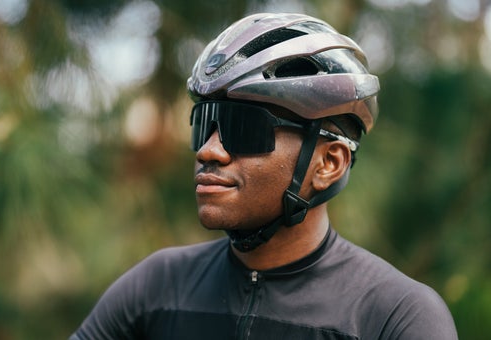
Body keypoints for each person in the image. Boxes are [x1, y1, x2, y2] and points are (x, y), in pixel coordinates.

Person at [70, 13, 458, 339]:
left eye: (244, 128)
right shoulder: (156, 286)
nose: (209, 150)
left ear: (328, 163)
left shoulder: (397, 317)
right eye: (205, 123)